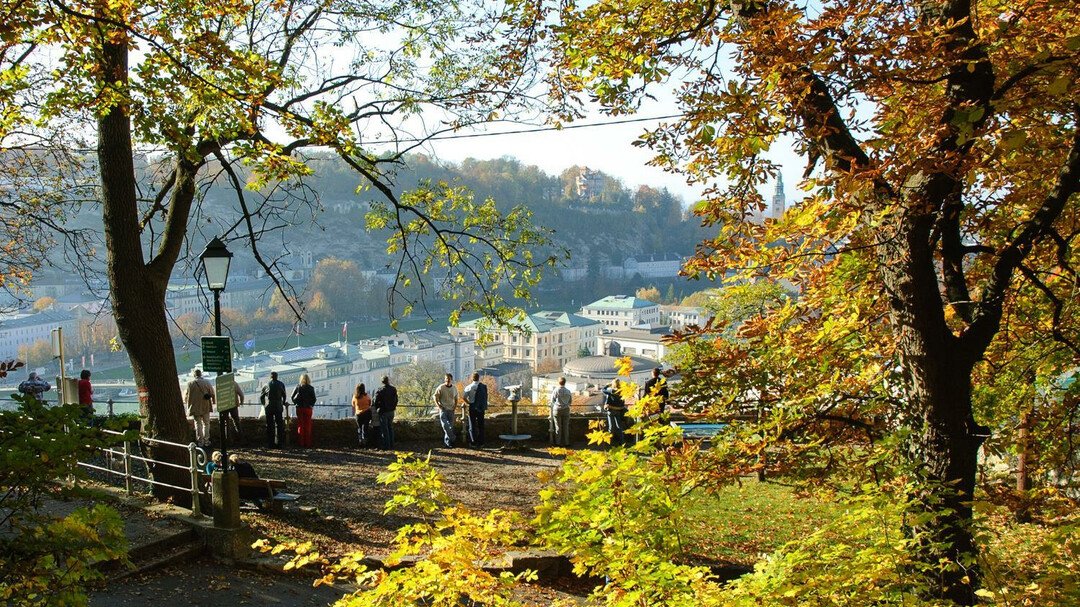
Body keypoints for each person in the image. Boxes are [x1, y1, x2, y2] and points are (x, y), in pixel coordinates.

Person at [184, 369, 215, 447]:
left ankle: (200, 441)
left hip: (195, 407)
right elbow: (212, 393)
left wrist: (187, 402)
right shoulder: (206, 382)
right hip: (205, 406)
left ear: (194, 375)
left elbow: (186, 396)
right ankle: (206, 441)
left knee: (198, 424)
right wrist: (214, 402)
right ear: (201, 374)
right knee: (206, 423)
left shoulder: (189, 384)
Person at [260, 371, 288, 448]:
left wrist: (264, 404)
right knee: (279, 425)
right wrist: (283, 402)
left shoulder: (266, 385)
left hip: (269, 406)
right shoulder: (281, 384)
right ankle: (280, 443)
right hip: (278, 406)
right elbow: (284, 395)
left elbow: (261, 396)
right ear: (277, 376)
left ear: (270, 377)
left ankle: (270, 443)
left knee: (269, 425)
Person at [433, 373, 459, 448]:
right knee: (445, 425)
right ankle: (453, 438)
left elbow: (456, 398)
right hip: (443, 409)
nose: (447, 380)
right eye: (446, 378)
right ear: (445, 379)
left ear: (451, 379)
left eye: (449, 378)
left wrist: (455, 406)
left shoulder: (454, 388)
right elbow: (435, 397)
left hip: (451, 409)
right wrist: (439, 406)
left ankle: (448, 442)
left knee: (450, 426)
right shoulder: (441, 387)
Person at [462, 372, 488, 447]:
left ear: (472, 378)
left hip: (472, 407)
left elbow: (464, 397)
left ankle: (473, 442)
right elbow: (485, 397)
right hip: (481, 408)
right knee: (481, 425)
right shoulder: (483, 386)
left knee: (472, 425)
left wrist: (468, 402)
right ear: (478, 378)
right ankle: (481, 442)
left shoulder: (469, 387)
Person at [372, 375, 398, 450]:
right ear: (388, 381)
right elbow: (396, 400)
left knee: (384, 429)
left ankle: (386, 446)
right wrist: (393, 407)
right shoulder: (393, 389)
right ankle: (392, 444)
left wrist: (377, 408)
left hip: (383, 411)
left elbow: (375, 401)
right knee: (390, 427)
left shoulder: (380, 390)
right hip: (391, 411)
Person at [291, 373, 316, 448]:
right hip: (308, 408)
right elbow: (314, 399)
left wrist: (296, 403)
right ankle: (307, 443)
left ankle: (301, 443)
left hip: (299, 408)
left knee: (300, 425)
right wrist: (310, 405)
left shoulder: (298, 387)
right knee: (308, 425)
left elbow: (292, 397)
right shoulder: (311, 388)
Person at [602, 378, 628, 448]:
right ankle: (622, 442)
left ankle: (609, 443)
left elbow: (603, 390)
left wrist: (607, 385)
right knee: (619, 427)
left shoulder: (611, 391)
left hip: (611, 410)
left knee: (611, 428)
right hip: (618, 411)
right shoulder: (622, 392)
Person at [550, 377, 573, 447]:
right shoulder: (568, 391)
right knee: (566, 427)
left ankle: (558, 442)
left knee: (558, 427)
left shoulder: (556, 390)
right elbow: (570, 401)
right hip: (566, 409)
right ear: (565, 382)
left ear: (558, 382)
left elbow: (552, 400)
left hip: (557, 409)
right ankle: (566, 442)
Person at [352, 382, 372, 447]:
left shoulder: (355, 396)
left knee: (359, 428)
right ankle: (365, 442)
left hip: (358, 414)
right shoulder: (367, 396)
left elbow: (353, 404)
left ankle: (360, 441)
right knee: (365, 428)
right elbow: (369, 403)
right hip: (366, 413)